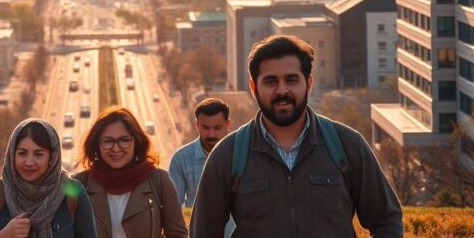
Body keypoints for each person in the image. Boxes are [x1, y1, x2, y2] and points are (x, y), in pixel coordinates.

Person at [189, 35, 403, 238]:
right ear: (254, 87)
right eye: (270, 81)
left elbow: (386, 219)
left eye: (291, 80)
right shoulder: (228, 155)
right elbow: (203, 233)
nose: (282, 90)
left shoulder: (347, 145)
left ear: (309, 83)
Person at [0, 118, 97, 238]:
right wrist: (3, 235)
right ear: (12, 155)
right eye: (22, 153)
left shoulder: (73, 191)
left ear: (52, 158)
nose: (29, 162)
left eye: (38, 154)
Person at [72, 106, 187, 238]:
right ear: (97, 145)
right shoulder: (78, 185)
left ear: (136, 142)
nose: (116, 148)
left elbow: (178, 235)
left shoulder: (159, 181)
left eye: (124, 140)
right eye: (108, 141)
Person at [168, 99, 234, 236]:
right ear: (197, 125)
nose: (211, 134)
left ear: (228, 124)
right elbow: (172, 210)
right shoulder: (181, 159)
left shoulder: (242, 154)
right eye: (205, 128)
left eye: (217, 128)